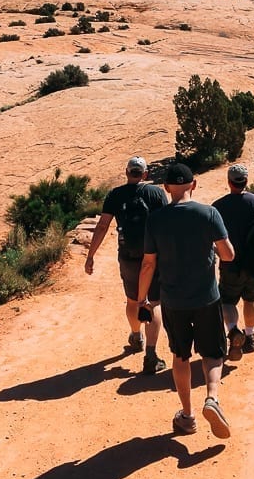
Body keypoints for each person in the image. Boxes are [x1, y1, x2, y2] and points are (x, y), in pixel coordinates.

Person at [137, 163, 235, 438]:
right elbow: (228, 255)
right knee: (213, 352)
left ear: (166, 188)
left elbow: (148, 265)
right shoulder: (209, 214)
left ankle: (188, 416)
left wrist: (141, 299)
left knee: (180, 356)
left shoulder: (155, 220)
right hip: (207, 297)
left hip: (172, 300)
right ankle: (212, 398)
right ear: (194, 185)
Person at [85, 156, 168, 374]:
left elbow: (103, 225)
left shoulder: (115, 194)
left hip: (128, 255)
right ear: (145, 174)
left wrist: (90, 255)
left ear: (126, 172)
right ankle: (151, 354)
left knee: (133, 299)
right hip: (153, 256)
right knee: (154, 301)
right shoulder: (156, 193)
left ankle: (136, 335)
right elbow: (166, 224)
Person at [212, 164, 254, 359]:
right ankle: (250, 336)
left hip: (231, 262)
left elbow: (212, 236)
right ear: (246, 181)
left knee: (228, 301)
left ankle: (232, 331)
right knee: (251, 299)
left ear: (229, 181)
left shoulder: (219, 206)